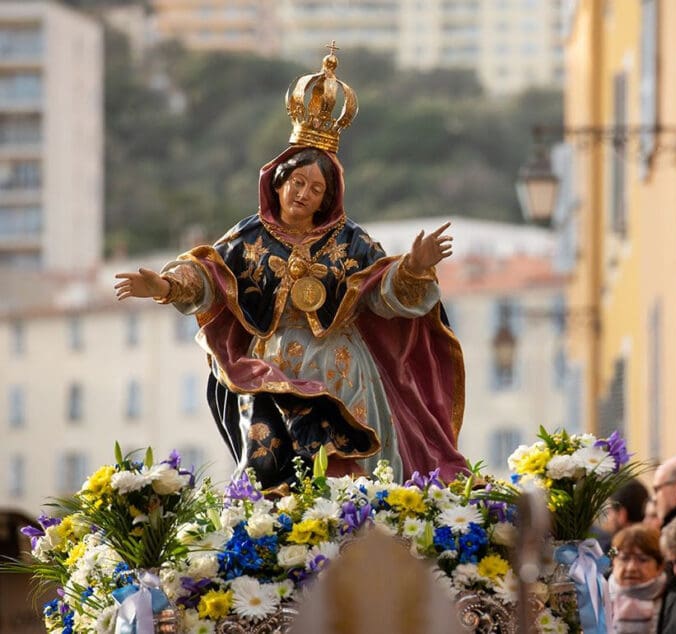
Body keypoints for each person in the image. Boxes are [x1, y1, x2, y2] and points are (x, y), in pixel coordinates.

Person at [114, 49, 468, 488]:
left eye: (316, 188)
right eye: (298, 182)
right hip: (275, 367)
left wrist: (413, 268)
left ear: (327, 198)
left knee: (353, 476)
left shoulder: (349, 240)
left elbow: (380, 292)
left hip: (344, 370)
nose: (304, 193)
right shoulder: (248, 238)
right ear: (278, 182)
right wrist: (165, 285)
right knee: (272, 470)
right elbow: (208, 279)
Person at [609, 524, 666, 634]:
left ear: (660, 567)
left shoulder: (674, 598)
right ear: (613, 562)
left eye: (642, 560)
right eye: (624, 558)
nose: (631, 568)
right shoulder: (597, 595)